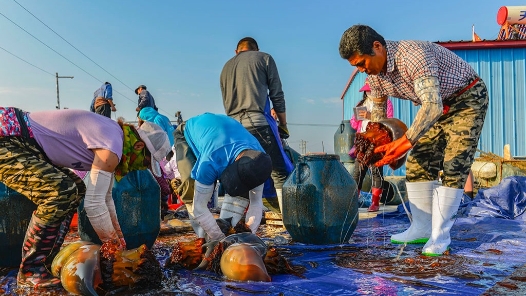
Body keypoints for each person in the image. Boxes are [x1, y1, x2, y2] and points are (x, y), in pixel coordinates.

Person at [339, 25, 488, 256]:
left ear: (377, 47)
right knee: (418, 163)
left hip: (466, 99)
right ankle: (421, 228)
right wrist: (381, 146)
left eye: (361, 63)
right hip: (438, 107)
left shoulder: (413, 56)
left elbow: (432, 106)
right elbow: (380, 118)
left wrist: (403, 144)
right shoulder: (376, 77)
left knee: (454, 164)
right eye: (355, 66)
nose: (360, 70)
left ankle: (440, 236)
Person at [0, 107, 170, 288]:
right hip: (10, 136)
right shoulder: (112, 146)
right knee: (59, 192)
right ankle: (30, 270)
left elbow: (106, 199)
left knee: (76, 189)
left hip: (29, 144)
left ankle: (46, 260)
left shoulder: (117, 140)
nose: (142, 168)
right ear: (138, 146)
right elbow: (94, 205)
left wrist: (119, 238)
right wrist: (112, 247)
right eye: (145, 162)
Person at [220, 37, 293, 215]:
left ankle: (232, 225)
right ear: (256, 49)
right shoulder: (264, 58)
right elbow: (277, 95)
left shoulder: (225, 67)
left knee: (242, 176)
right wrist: (283, 124)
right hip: (257, 124)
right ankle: (290, 223)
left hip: (233, 130)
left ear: (236, 51)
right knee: (279, 172)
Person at [173, 112, 272, 242]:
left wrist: (249, 234)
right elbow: (199, 208)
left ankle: (224, 229)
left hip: (222, 133)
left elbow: (256, 204)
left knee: (244, 191)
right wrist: (219, 239)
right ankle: (202, 237)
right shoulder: (211, 160)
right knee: (190, 187)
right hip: (188, 134)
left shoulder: (259, 161)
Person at [350, 78, 394, 212]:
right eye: (367, 91)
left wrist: (370, 115)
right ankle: (353, 202)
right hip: (363, 142)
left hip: (377, 141)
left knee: (376, 172)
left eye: (371, 90)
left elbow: (388, 120)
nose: (369, 93)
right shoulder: (361, 103)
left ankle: (375, 203)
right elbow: (353, 124)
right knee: (358, 172)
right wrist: (357, 118)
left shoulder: (386, 103)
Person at [138, 107, 175, 217]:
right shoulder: (162, 118)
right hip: (167, 151)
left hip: (163, 151)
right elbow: (163, 188)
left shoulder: (153, 124)